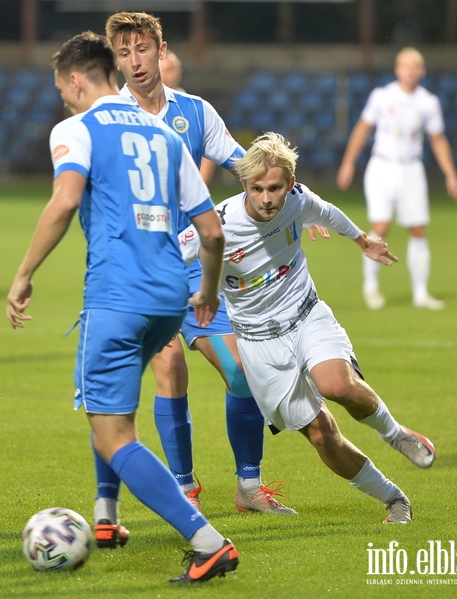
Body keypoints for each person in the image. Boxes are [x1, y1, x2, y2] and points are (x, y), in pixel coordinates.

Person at [6, 31, 239, 583]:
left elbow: (64, 201)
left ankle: (208, 541)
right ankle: (105, 517)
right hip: (168, 296)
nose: (62, 99)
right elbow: (210, 231)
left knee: (112, 430)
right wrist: (204, 292)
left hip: (116, 295)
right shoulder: (164, 133)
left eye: (63, 89)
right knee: (112, 409)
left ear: (77, 81)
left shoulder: (76, 128)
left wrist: (24, 273)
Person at [103, 11, 298, 530]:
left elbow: (248, 167)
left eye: (142, 49)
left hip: (195, 264)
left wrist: (300, 201)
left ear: (161, 49)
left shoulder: (195, 112)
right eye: (124, 54)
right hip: (141, 269)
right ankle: (185, 488)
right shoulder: (109, 118)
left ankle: (249, 487)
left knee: (240, 373)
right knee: (169, 369)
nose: (135, 61)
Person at [180, 132, 436, 524]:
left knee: (336, 384)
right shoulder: (218, 223)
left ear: (290, 185)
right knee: (320, 433)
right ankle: (394, 498)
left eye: (276, 188)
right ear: (244, 185)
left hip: (305, 316)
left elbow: (328, 212)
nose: (267, 198)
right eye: (258, 188)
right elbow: (168, 256)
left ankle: (394, 432)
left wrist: (361, 240)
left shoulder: (298, 201)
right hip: (257, 342)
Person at [336, 47, 457, 311]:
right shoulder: (382, 97)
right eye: (404, 65)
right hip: (382, 166)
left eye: (414, 66)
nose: (409, 71)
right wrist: (348, 162)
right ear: (397, 70)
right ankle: (371, 288)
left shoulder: (428, 102)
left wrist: (451, 174)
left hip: (411, 169)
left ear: (422, 71)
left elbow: (438, 140)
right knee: (380, 226)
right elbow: (362, 128)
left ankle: (420, 292)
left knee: (417, 229)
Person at [158, 50, 217, 183]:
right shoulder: (140, 106)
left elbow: (211, 147)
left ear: (179, 72)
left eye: (169, 70)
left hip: (187, 186)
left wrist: (199, 186)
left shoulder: (195, 108)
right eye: (161, 70)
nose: (164, 75)